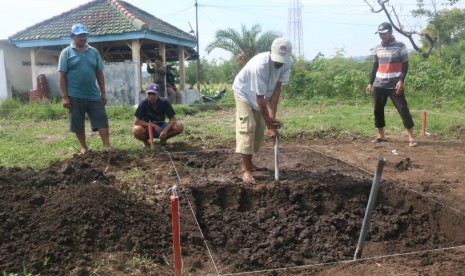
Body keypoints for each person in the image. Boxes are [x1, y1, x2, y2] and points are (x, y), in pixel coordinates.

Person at [232, 37, 293, 183]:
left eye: (282, 60)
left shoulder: (287, 63)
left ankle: (250, 163)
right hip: (244, 93)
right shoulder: (261, 65)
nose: (279, 63)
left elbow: (277, 89)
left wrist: (271, 116)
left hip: (262, 97)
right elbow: (259, 100)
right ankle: (245, 170)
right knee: (248, 126)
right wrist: (271, 127)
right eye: (276, 60)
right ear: (271, 53)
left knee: (259, 128)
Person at [58, 23, 111, 154]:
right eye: (80, 35)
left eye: (84, 35)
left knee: (101, 119)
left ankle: (107, 146)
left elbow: (99, 73)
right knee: (77, 122)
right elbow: (62, 76)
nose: (83, 38)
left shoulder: (93, 52)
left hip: (93, 94)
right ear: (72, 37)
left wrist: (103, 93)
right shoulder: (66, 53)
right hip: (74, 95)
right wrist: (65, 97)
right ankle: (84, 147)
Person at [365, 22, 417, 147]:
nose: (381, 36)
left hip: (394, 83)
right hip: (379, 84)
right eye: (380, 34)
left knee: (403, 109)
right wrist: (370, 83)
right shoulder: (377, 48)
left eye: (384, 33)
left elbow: (405, 65)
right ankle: (381, 135)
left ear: (390, 32)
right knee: (377, 110)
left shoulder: (400, 46)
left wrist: (401, 80)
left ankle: (411, 137)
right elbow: (375, 66)